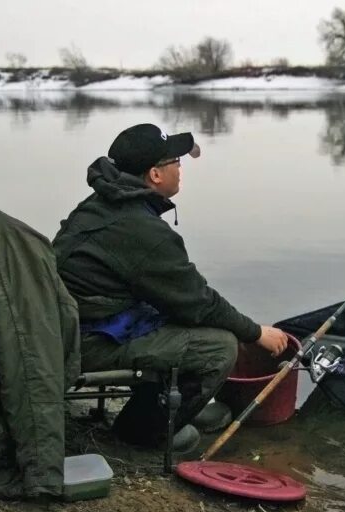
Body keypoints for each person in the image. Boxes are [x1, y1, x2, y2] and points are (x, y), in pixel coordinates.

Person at [53, 123, 289, 452]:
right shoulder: (142, 229)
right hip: (85, 341)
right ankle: (142, 433)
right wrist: (255, 333)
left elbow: (181, 297)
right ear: (155, 175)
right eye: (176, 162)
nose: (181, 168)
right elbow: (198, 302)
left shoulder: (105, 200)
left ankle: (173, 408)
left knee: (177, 318)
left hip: (70, 325)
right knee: (220, 346)